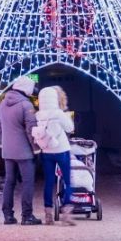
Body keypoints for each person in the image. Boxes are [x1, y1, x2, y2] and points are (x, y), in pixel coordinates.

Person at [0, 75, 41, 225]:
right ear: (26, 88)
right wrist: (37, 149)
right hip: (24, 152)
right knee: (27, 182)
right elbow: (31, 129)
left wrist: (2, 144)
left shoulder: (2, 104)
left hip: (8, 151)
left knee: (9, 182)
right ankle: (27, 216)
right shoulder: (26, 105)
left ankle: (8, 215)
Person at [32, 85, 75, 225]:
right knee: (67, 180)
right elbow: (70, 128)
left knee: (49, 182)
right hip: (61, 149)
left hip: (46, 151)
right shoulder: (58, 113)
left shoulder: (37, 115)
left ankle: (48, 214)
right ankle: (66, 213)